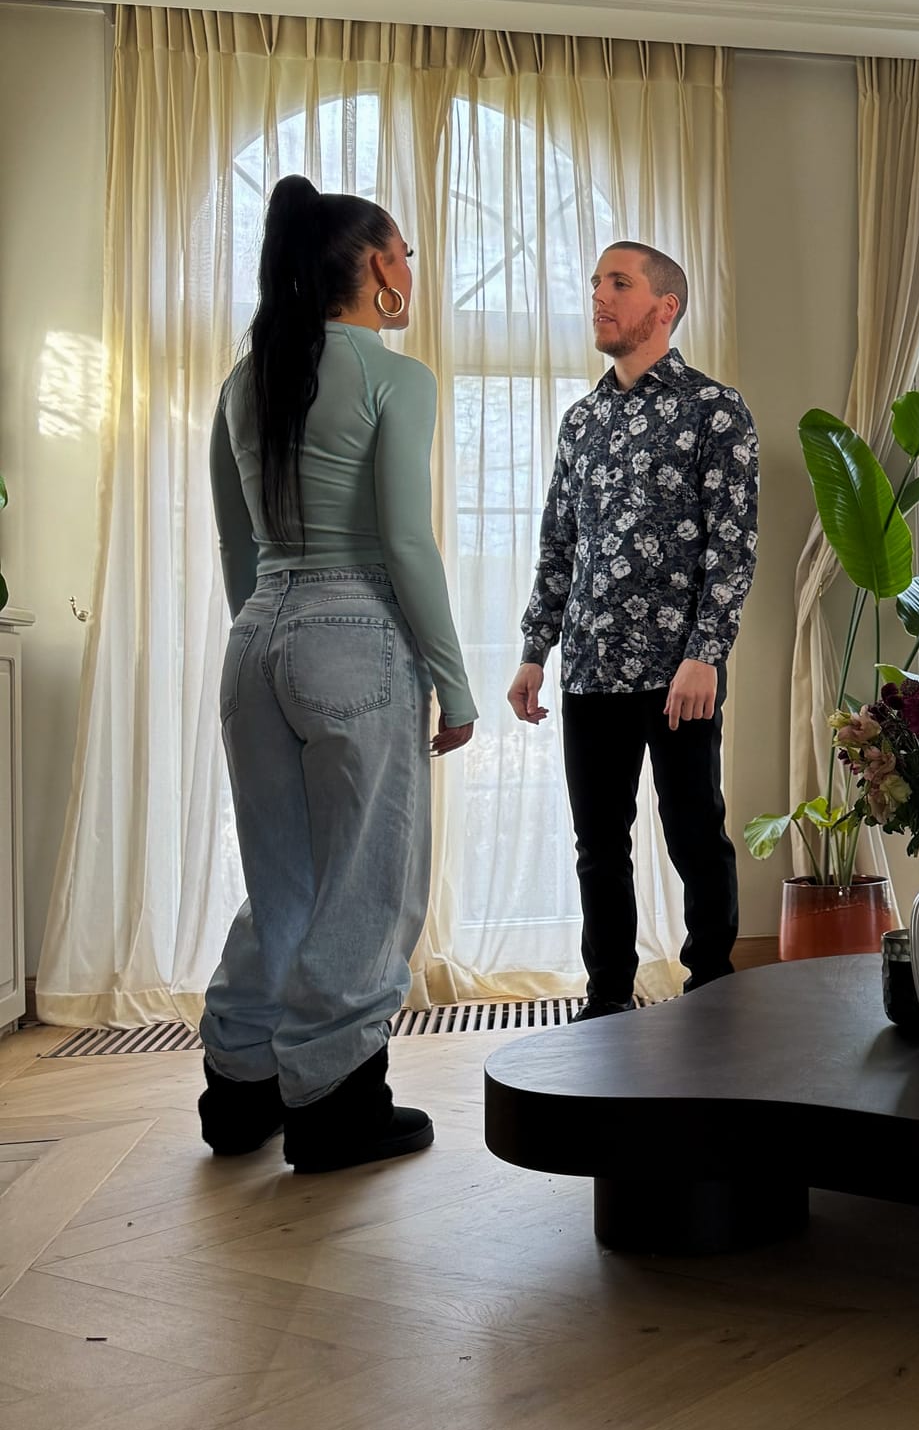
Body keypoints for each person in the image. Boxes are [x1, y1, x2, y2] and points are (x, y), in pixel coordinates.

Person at [201, 175, 476, 1172]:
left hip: (256, 639)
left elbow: (237, 545)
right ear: (373, 265)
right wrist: (454, 681)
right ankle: (335, 1105)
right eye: (405, 254)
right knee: (367, 881)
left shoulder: (246, 379)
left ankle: (239, 1090)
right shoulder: (395, 376)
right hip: (355, 632)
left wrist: (273, 645)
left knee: (281, 876)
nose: (411, 272)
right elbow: (405, 541)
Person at [507, 243, 757, 1011]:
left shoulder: (715, 410)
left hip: (679, 671)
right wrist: (534, 651)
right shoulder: (580, 423)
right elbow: (559, 543)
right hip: (589, 668)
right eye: (596, 283)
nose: (599, 295)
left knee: (694, 831)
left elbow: (732, 543)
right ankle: (608, 998)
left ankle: (711, 988)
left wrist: (706, 652)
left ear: (665, 306)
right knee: (598, 846)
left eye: (620, 282)